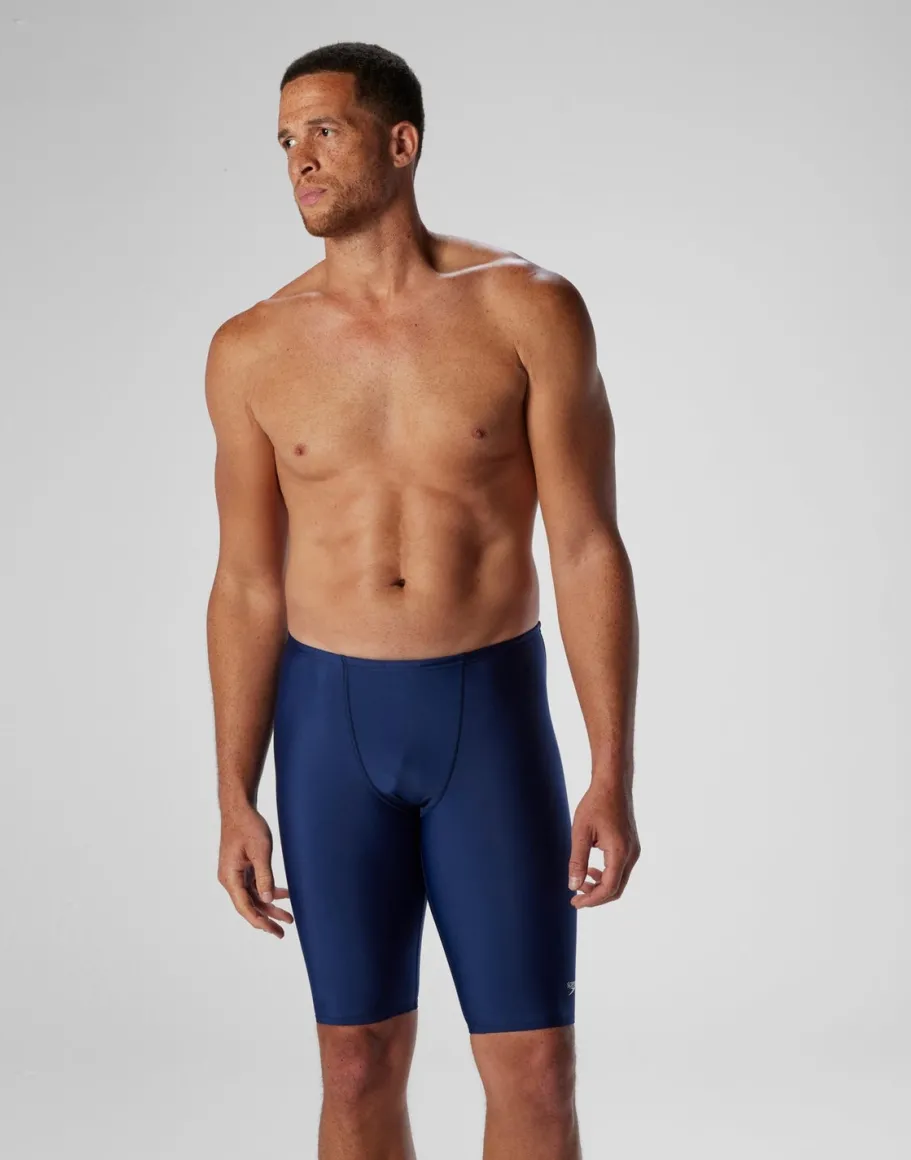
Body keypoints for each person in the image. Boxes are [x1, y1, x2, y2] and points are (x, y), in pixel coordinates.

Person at [204, 40, 640, 1160]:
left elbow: (585, 545)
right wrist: (233, 791)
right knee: (354, 1067)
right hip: (326, 726)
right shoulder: (251, 348)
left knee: (535, 1074)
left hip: (487, 717)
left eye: (325, 132)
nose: (299, 160)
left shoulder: (527, 309)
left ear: (400, 143)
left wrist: (610, 769)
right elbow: (246, 579)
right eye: (285, 140)